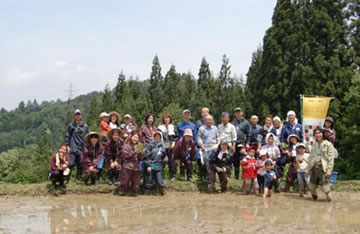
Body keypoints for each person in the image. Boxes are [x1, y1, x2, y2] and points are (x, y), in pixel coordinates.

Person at [307, 127, 335, 202]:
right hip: (314, 168)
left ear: (322, 134)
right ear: (314, 135)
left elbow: (330, 158)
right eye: (316, 133)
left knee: (326, 190)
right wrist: (308, 169)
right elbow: (311, 158)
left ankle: (330, 204)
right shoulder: (314, 145)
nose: (318, 135)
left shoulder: (328, 144)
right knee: (312, 187)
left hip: (323, 169)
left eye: (319, 133)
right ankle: (315, 202)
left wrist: (329, 170)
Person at [65, 109, 89, 183]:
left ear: (81, 116)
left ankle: (77, 179)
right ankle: (66, 178)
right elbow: (67, 136)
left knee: (80, 164)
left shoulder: (85, 126)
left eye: (79, 114)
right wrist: (67, 146)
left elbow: (88, 136)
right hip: (73, 147)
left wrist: (87, 147)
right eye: (76, 114)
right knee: (70, 164)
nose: (78, 116)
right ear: (74, 116)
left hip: (82, 147)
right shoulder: (71, 125)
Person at [119, 132, 143, 196]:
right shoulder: (126, 145)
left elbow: (141, 158)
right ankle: (123, 191)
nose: (135, 139)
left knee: (136, 182)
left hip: (136, 166)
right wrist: (135, 152)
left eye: (137, 137)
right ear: (131, 137)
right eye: (134, 137)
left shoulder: (140, 145)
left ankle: (134, 192)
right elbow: (126, 156)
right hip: (127, 165)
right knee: (125, 181)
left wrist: (141, 153)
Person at [197, 115, 219, 181]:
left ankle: (213, 177)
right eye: (208, 120)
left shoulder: (215, 128)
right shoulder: (201, 128)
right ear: (205, 121)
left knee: (214, 163)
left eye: (210, 120)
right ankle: (205, 177)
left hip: (213, 147)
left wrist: (217, 145)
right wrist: (201, 146)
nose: (209, 121)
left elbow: (218, 137)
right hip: (204, 147)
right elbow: (199, 138)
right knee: (205, 162)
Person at [158, 112, 178, 181]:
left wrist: (173, 143)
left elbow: (176, 136)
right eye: (165, 118)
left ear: (170, 119)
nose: (167, 119)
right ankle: (159, 174)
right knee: (161, 160)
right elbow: (158, 137)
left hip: (171, 146)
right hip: (162, 146)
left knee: (171, 161)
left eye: (168, 118)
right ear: (163, 119)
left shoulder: (173, 126)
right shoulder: (160, 127)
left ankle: (172, 176)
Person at [232, 107, 251, 180]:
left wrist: (247, 143)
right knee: (235, 160)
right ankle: (236, 177)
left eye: (239, 112)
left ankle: (245, 176)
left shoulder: (246, 123)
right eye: (236, 112)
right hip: (235, 144)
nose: (238, 113)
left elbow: (249, 133)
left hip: (242, 143)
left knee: (244, 160)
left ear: (242, 113)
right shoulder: (233, 123)